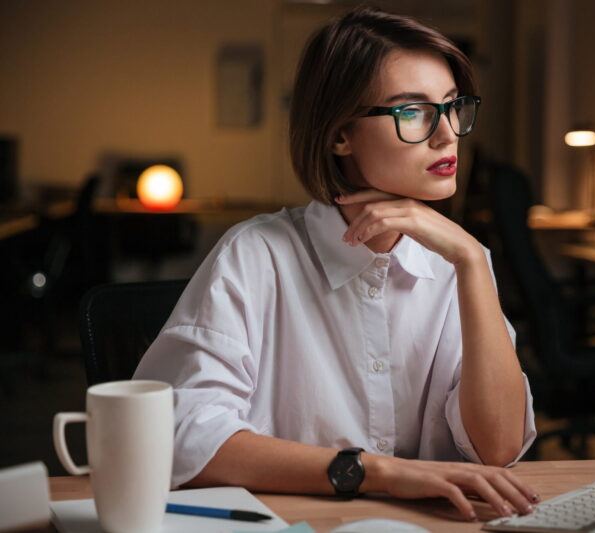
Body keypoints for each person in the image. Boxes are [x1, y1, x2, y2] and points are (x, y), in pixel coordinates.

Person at [133, 5, 538, 521]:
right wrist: (375, 470)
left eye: (453, 106)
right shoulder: (256, 256)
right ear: (338, 134)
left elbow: (498, 448)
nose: (447, 135)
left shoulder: (459, 263)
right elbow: (176, 434)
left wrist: (471, 262)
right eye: (412, 112)